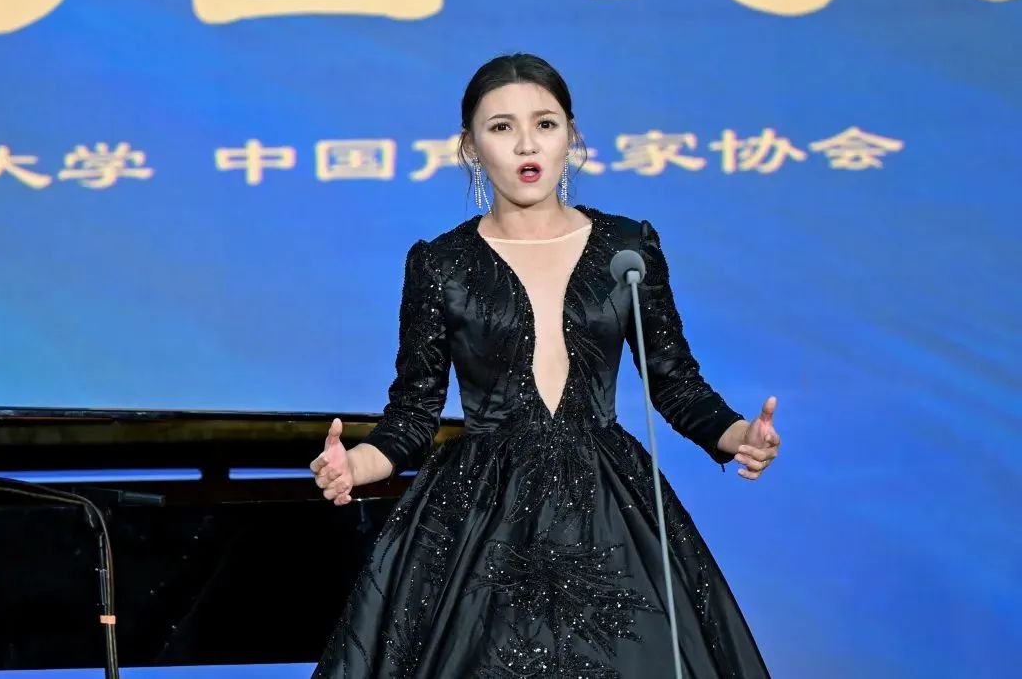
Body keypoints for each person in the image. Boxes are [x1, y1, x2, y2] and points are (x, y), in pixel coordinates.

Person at [310, 53, 780, 678]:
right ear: (470, 146)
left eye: (545, 124)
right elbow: (414, 414)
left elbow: (675, 382)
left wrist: (738, 434)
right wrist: (357, 465)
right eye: (501, 127)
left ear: (571, 136)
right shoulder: (439, 263)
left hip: (609, 503)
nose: (526, 144)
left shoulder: (628, 248)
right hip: (480, 513)